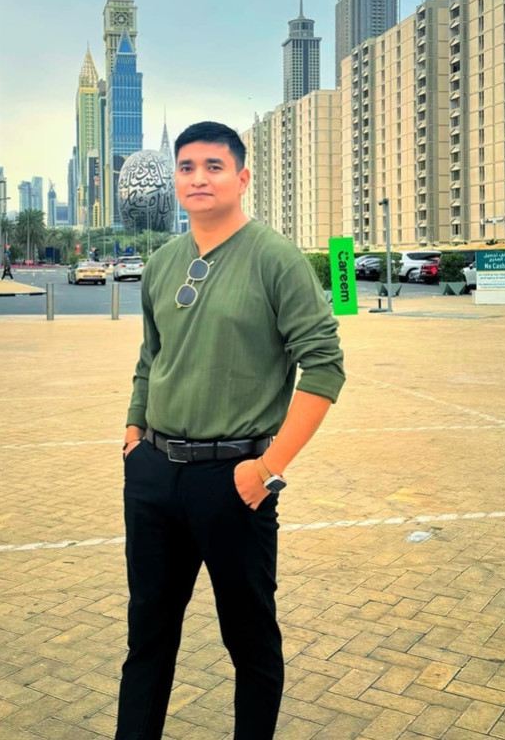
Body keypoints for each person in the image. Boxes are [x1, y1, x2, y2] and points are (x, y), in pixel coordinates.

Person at [116, 121, 345, 740]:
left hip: (235, 480)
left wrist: (268, 469)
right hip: (154, 475)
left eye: (213, 166)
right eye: (187, 167)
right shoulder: (162, 264)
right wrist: (134, 436)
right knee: (147, 637)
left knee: (249, 640)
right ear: (175, 181)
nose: (199, 178)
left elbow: (325, 366)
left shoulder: (275, 259)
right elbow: (150, 358)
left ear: (242, 178)